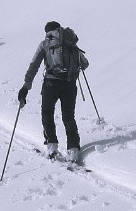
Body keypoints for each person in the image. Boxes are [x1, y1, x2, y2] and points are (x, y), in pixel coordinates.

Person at [16, 21, 89, 162]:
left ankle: (52, 146)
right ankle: (73, 149)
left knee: (47, 112)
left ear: (48, 31)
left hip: (51, 83)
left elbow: (34, 65)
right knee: (68, 116)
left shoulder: (45, 44)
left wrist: (26, 86)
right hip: (70, 84)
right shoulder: (70, 41)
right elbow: (85, 64)